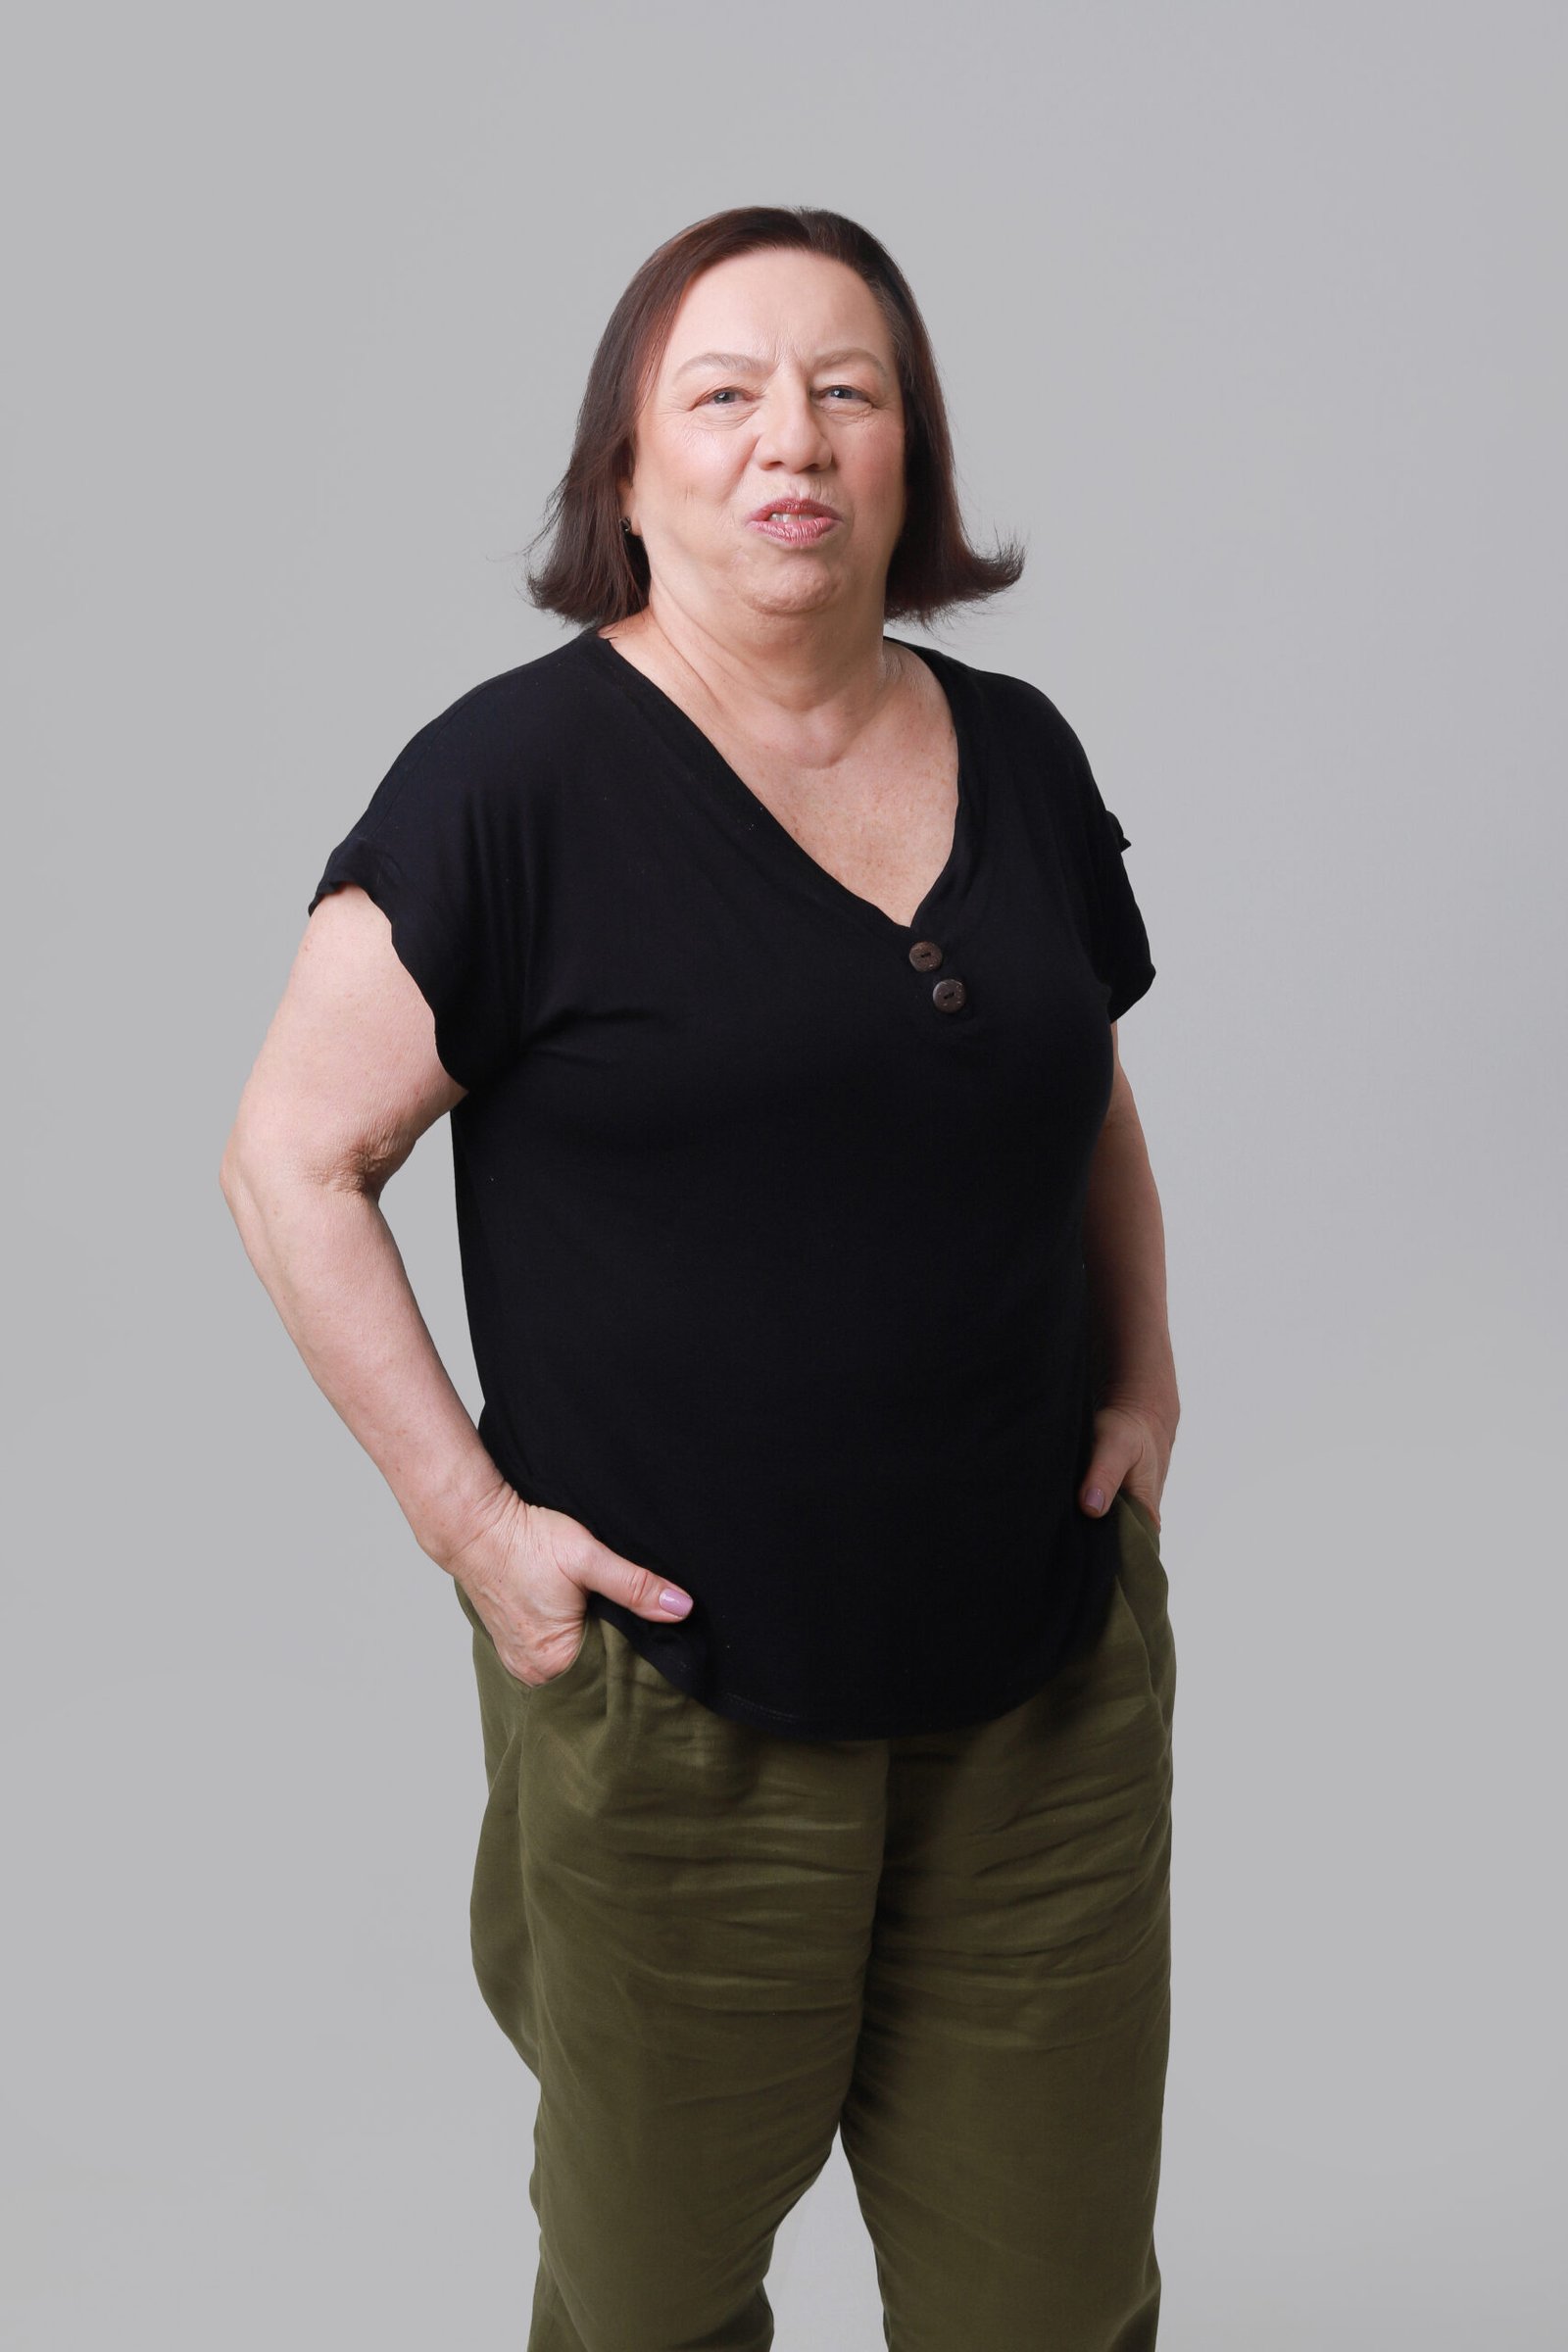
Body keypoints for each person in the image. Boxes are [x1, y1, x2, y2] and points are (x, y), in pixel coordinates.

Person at [220, 203, 1181, 2352]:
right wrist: (474, 1528)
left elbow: (1079, 1084)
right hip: (677, 1712)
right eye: (724, 394)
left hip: (1040, 1686)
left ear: (910, 455)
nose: (793, 441)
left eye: (849, 392)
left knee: (1051, 2304)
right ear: (627, 468)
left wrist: (1146, 1378)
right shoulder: (511, 785)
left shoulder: (1020, 755)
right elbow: (291, 1158)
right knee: (648, 2307)